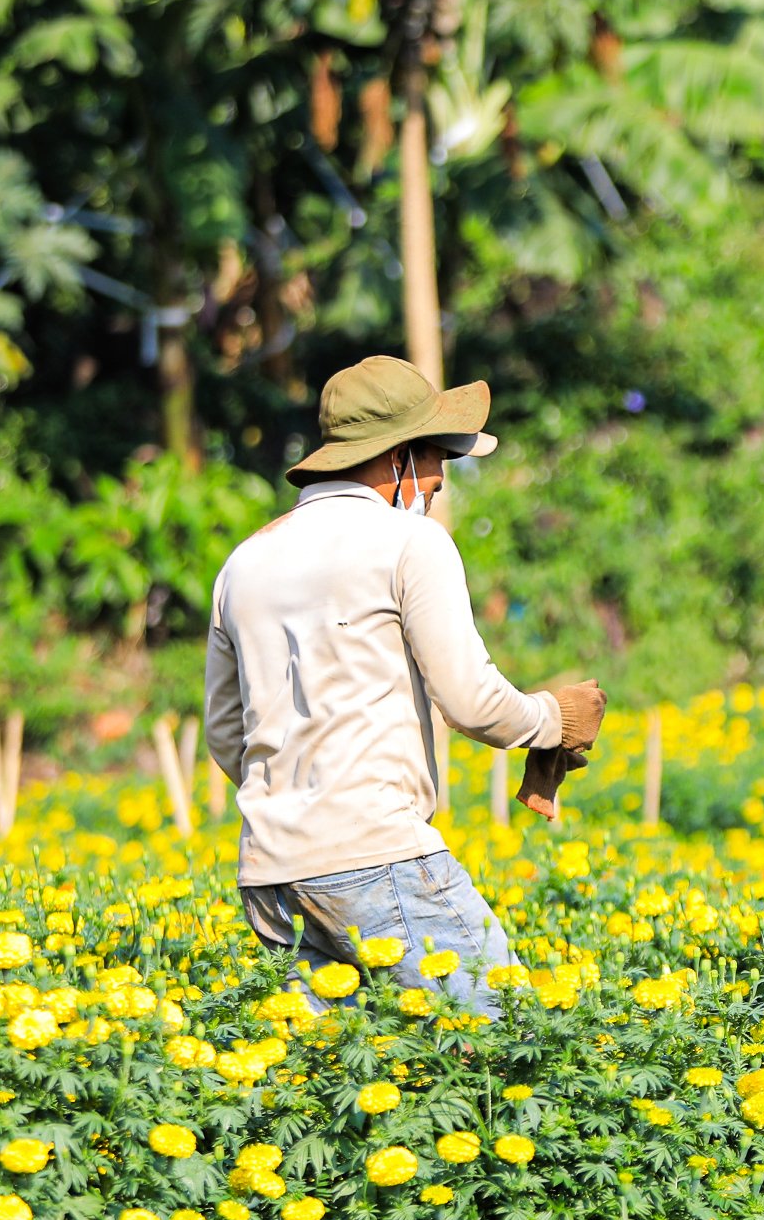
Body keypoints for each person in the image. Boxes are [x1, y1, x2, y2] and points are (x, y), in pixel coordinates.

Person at [204, 356, 603, 1012]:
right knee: (508, 1048)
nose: (441, 479)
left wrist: (302, 803)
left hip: (274, 875)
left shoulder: (244, 562)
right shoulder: (409, 542)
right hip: (377, 857)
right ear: (395, 459)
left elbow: (227, 736)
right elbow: (473, 703)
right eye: (435, 458)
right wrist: (555, 718)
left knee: (338, 1085)